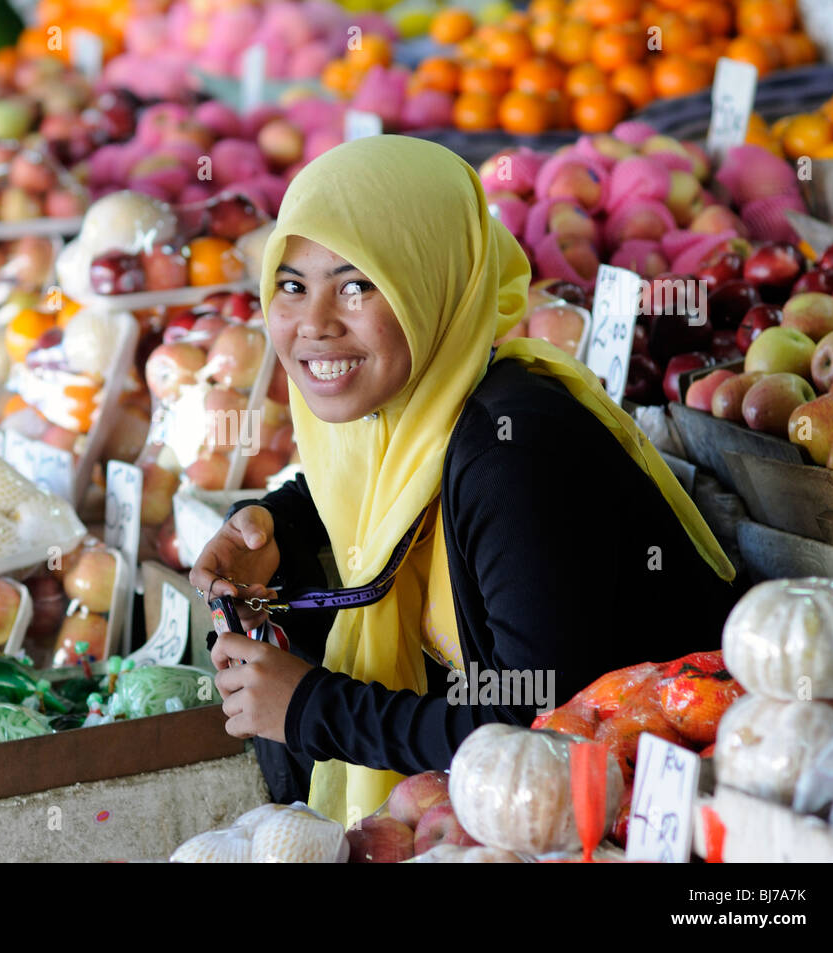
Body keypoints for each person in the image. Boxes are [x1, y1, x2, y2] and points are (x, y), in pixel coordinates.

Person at [189, 135, 738, 826]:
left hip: (664, 809)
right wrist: (273, 525)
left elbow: (539, 726)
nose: (315, 325)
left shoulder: (517, 451)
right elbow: (378, 490)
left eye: (358, 284)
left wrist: (313, 708)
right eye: (292, 286)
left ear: (432, 283)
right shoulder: (410, 406)